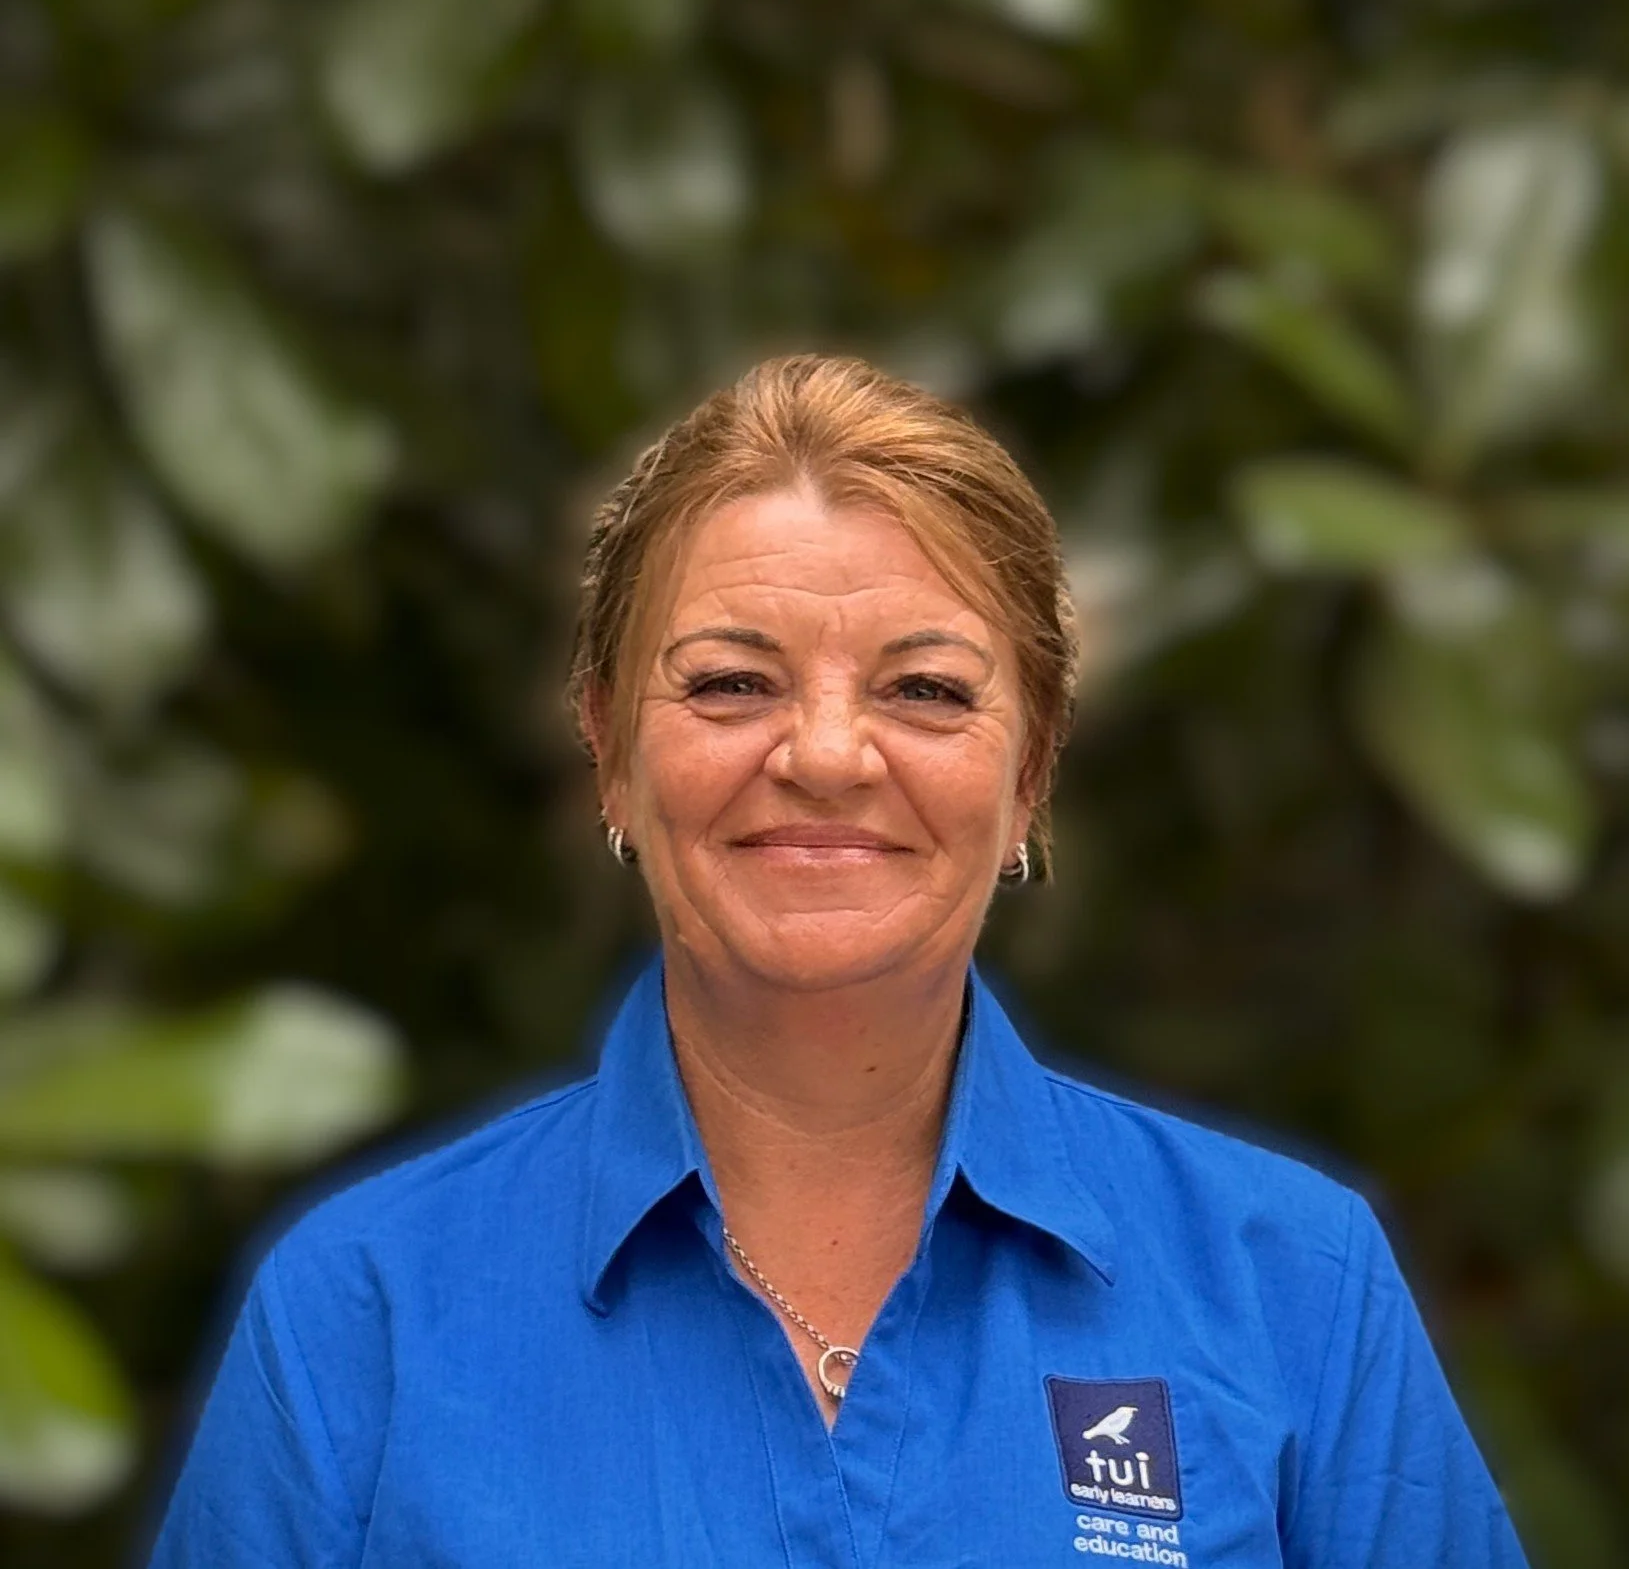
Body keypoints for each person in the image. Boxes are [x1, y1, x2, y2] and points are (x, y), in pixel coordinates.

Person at [145, 354, 1529, 1567]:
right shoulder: (362, 1314)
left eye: (924, 690)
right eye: (731, 683)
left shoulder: (1291, 1282)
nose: (822, 754)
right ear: (609, 749)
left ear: (1030, 771)